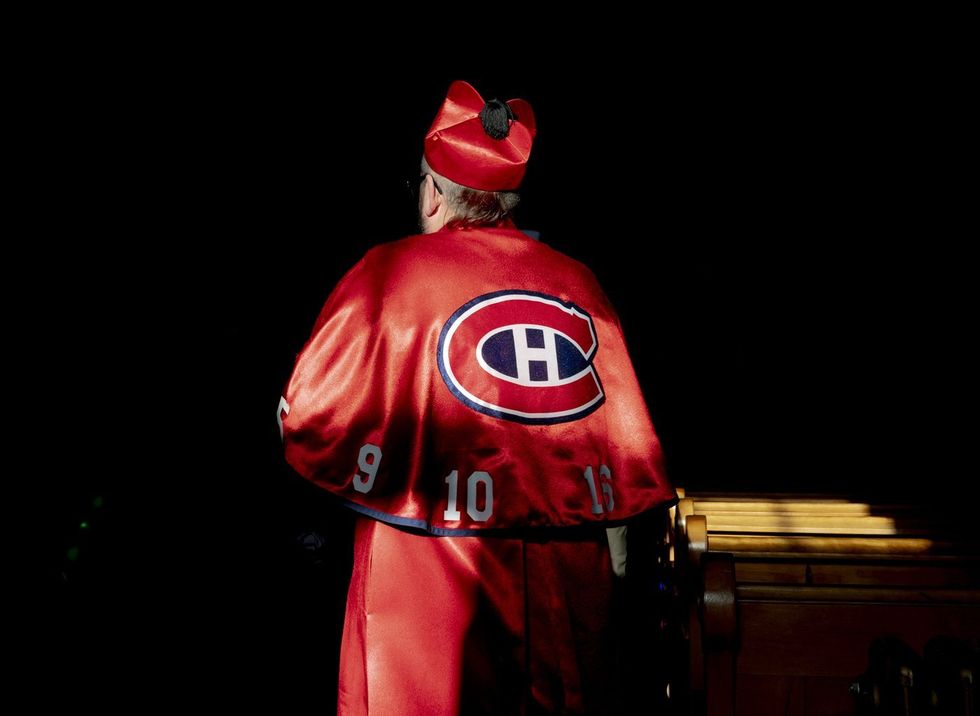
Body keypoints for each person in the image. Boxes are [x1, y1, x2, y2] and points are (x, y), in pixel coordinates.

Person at [279, 80, 676, 715]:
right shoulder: (580, 282)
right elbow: (618, 438)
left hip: (422, 568)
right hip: (562, 572)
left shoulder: (387, 273)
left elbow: (308, 416)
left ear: (435, 193)